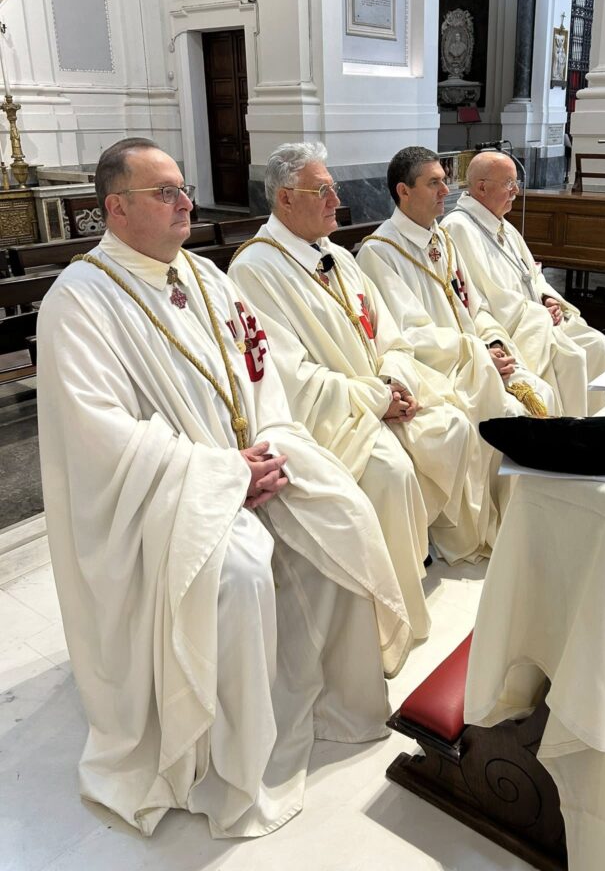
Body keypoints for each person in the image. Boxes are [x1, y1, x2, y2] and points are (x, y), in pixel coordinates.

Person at [36, 138, 410, 840]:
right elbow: (101, 440)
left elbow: (260, 376)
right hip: (163, 495)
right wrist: (224, 474)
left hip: (248, 462)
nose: (186, 202)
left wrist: (269, 451)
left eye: (183, 187)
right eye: (165, 193)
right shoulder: (78, 301)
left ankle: (334, 702)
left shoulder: (206, 276)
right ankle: (232, 761)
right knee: (237, 573)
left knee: (342, 510)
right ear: (116, 208)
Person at [229, 144, 495, 623]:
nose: (337, 201)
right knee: (391, 473)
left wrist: (394, 381)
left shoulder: (335, 254)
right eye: (323, 191)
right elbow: (290, 377)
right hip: (330, 416)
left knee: (453, 424)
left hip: (376, 394)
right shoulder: (254, 270)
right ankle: (388, 607)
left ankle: (423, 550)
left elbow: (387, 332)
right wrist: (376, 398)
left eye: (333, 188)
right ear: (285, 199)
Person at [356, 147, 558, 536]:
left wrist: (493, 342)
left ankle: (529, 521)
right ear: (403, 191)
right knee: (508, 415)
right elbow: (408, 335)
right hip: (437, 371)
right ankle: (497, 529)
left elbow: (475, 308)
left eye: (445, 181)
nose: (445, 191)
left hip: (475, 358)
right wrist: (476, 354)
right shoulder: (379, 253)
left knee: (540, 392)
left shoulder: (443, 241)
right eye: (434, 182)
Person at [443, 150, 605, 416]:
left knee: (597, 343)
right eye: (509, 183)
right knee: (572, 358)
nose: (516, 191)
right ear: (482, 187)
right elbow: (479, 297)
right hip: (512, 327)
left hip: (536, 317)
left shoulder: (501, 224)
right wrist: (539, 312)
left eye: (516, 183)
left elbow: (531, 274)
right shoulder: (458, 228)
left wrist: (548, 298)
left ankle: (602, 423)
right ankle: (573, 430)